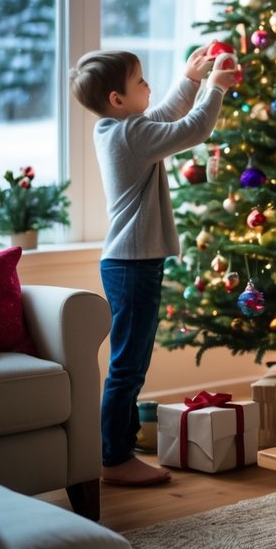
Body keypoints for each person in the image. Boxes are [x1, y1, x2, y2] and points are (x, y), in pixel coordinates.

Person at [69, 44, 237, 486]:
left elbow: (163, 115)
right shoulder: (129, 135)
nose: (148, 85)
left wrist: (192, 78)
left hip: (130, 263)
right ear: (117, 100)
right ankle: (114, 457)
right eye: (139, 80)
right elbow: (192, 128)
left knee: (130, 361)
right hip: (133, 264)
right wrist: (215, 88)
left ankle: (116, 453)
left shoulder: (118, 129)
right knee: (129, 365)